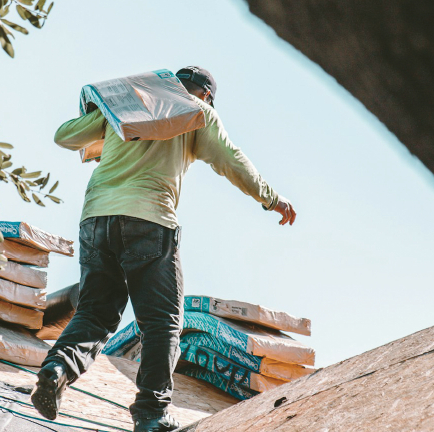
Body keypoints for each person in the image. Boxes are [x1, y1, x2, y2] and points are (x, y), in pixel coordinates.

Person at [31, 66, 297, 432]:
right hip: (150, 221)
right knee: (163, 322)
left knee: (95, 311)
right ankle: (151, 411)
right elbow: (231, 159)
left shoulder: (128, 108)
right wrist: (273, 200)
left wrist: (100, 113)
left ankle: (57, 368)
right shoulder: (199, 114)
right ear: (205, 95)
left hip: (96, 219)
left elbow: (64, 136)